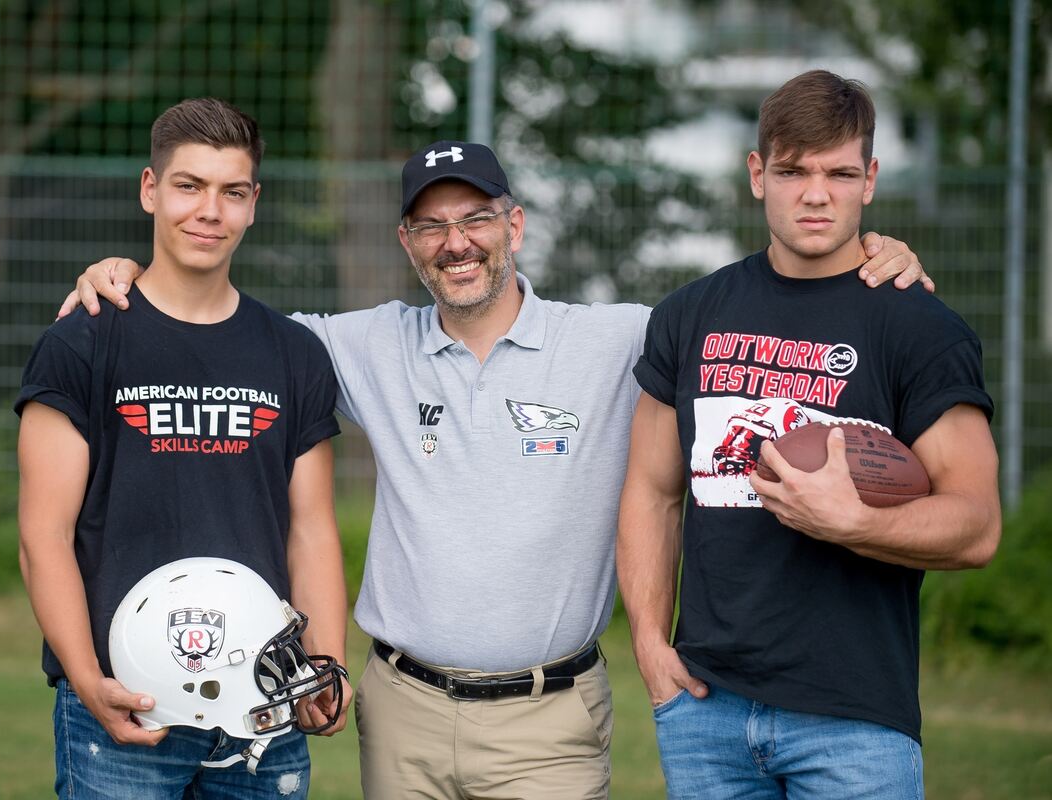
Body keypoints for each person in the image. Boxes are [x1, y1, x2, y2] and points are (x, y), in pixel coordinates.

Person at [60, 137, 929, 798]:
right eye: (431, 226)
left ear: (514, 225)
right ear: (407, 242)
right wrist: (128, 274)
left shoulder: (620, 338)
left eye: (476, 218)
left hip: (548, 721)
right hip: (402, 712)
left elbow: (756, 311)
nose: (457, 243)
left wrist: (865, 256)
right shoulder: (356, 345)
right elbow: (214, 321)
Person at [617, 70, 1001, 799]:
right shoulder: (689, 314)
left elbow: (977, 525)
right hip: (704, 707)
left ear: (870, 180)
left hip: (853, 721)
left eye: (840, 173)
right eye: (793, 170)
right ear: (758, 174)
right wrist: (648, 643)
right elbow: (652, 490)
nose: (816, 194)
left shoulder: (920, 328)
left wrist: (854, 522)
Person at [16, 98, 351, 799]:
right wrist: (87, 679)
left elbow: (312, 529)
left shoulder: (294, 354)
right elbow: (43, 535)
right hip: (124, 702)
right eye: (189, 186)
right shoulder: (82, 342)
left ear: (253, 204)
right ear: (150, 189)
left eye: (232, 192)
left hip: (264, 700)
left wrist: (326, 662)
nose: (209, 211)